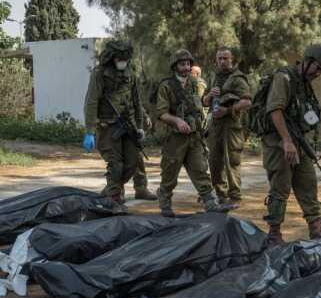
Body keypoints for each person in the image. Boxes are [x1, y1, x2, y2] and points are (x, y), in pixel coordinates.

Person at [261, 44, 321, 244]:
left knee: (308, 184)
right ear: (307, 60)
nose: (318, 73)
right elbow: (275, 109)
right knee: (280, 189)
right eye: (317, 68)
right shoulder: (284, 78)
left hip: (299, 144)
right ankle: (274, 234)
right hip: (279, 144)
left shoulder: (304, 84)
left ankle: (316, 229)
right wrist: (286, 141)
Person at [154, 49, 232, 217]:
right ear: (175, 66)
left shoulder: (195, 84)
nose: (187, 67)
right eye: (183, 64)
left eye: (188, 64)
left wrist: (210, 97)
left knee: (201, 170)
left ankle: (210, 203)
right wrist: (177, 121)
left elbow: (202, 103)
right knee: (170, 173)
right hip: (174, 138)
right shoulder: (166, 86)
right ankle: (165, 202)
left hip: (194, 136)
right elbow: (161, 113)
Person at [83, 40, 145, 205]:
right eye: (119, 58)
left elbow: (137, 101)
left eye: (125, 58)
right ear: (112, 58)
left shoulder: (131, 73)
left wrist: (140, 126)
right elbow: (91, 101)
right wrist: (89, 131)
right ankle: (114, 201)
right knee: (116, 165)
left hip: (129, 125)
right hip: (108, 126)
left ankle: (112, 188)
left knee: (132, 164)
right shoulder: (100, 73)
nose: (122, 61)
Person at [202, 48, 252, 204]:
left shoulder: (237, 78)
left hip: (232, 125)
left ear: (232, 60)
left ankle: (235, 197)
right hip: (215, 126)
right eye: (219, 58)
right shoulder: (213, 77)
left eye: (225, 58)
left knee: (232, 162)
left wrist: (228, 110)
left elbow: (247, 102)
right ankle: (221, 196)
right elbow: (204, 102)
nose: (222, 61)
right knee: (214, 162)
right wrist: (210, 95)